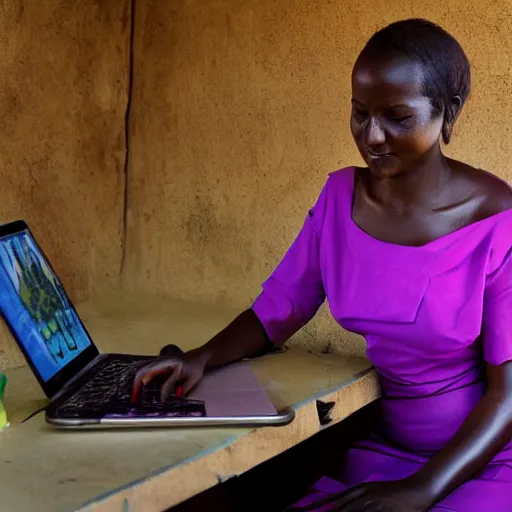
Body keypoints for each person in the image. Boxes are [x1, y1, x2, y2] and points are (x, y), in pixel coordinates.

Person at [133, 19, 512, 512]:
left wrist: (423, 489)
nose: (372, 136)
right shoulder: (340, 201)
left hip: (482, 462)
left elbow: (508, 395)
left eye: (397, 116)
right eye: (360, 114)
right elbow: (279, 309)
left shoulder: (496, 222)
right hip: (385, 452)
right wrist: (201, 357)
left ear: (448, 112)